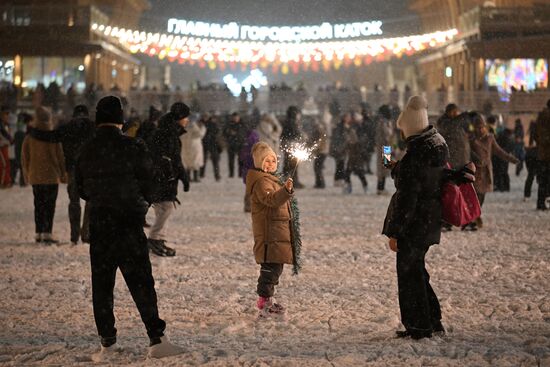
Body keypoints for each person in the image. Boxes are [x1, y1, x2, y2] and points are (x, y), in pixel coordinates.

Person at [75, 96, 184, 360]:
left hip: (100, 224)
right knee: (141, 282)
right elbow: (150, 183)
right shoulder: (133, 146)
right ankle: (156, 338)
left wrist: (102, 199)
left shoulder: (87, 149)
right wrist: (140, 204)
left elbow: (81, 188)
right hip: (127, 223)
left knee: (102, 285)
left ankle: (107, 343)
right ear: (120, 119)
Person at [382, 95, 449, 340]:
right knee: (418, 271)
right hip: (430, 219)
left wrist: (395, 232)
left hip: (414, 224)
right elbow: (424, 179)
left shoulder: (417, 155)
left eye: (403, 129)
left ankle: (418, 326)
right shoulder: (436, 144)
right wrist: (398, 167)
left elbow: (408, 197)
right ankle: (432, 320)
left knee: (409, 275)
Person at [28, 105, 95, 244]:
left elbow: (49, 137)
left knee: (74, 202)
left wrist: (33, 131)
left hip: (72, 170)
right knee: (90, 202)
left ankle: (74, 235)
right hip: (90, 170)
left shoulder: (68, 127)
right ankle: (86, 233)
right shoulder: (94, 127)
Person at [245, 142, 294, 318]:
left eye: (273, 160)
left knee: (275, 268)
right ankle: (264, 302)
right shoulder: (261, 182)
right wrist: (285, 191)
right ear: (259, 163)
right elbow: (271, 200)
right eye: (266, 161)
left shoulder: (270, 179)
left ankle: (268, 299)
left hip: (275, 231)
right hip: (268, 234)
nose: (270, 164)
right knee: (269, 270)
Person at [147, 102, 191, 257]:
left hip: (162, 177)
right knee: (166, 207)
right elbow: (172, 159)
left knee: (163, 208)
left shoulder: (166, 131)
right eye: (186, 117)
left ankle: (158, 239)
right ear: (179, 118)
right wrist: (181, 175)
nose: (187, 121)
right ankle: (154, 238)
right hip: (163, 178)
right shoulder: (168, 134)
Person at [22, 107, 67, 244]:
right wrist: (63, 173)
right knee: (49, 205)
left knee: (38, 204)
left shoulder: (30, 137)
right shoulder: (53, 137)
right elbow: (60, 157)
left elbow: (25, 157)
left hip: (36, 176)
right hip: (51, 176)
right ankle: (47, 232)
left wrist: (26, 173)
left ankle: (38, 232)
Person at [468, 113, 519, 229]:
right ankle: (473, 219)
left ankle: (475, 216)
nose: (480, 129)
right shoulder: (471, 139)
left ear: (485, 127)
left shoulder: (490, 138)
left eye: (482, 127)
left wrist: (511, 159)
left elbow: (499, 151)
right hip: (476, 171)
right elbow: (467, 154)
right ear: (474, 128)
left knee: (482, 196)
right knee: (475, 195)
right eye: (478, 127)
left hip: (486, 171)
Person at [281, 106, 304, 188]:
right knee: (293, 164)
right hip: (292, 146)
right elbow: (296, 134)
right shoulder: (292, 122)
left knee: (288, 164)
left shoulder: (287, 122)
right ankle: (292, 181)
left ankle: (287, 180)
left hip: (289, 145)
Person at [181, 115, 206, 183]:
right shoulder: (194, 126)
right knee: (195, 161)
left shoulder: (183, 126)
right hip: (194, 146)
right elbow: (200, 134)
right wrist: (202, 127)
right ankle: (195, 177)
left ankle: (188, 177)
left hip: (186, 145)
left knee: (188, 161)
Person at [535, 99, 550, 210]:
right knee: (545, 181)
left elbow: (536, 136)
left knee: (543, 181)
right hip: (546, 155)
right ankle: (542, 202)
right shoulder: (547, 117)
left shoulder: (541, 117)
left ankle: (541, 202)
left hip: (542, 155)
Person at [223, 112, 246, 178]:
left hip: (240, 144)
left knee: (241, 160)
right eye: (234, 117)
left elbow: (244, 133)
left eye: (236, 117)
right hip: (231, 144)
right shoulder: (229, 124)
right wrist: (229, 133)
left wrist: (236, 133)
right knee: (231, 160)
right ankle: (231, 173)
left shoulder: (242, 124)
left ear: (239, 117)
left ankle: (240, 174)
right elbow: (224, 133)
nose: (235, 118)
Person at [0, 105, 13, 188]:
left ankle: (6, 181)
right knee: (3, 164)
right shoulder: (1, 124)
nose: (7, 116)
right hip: (1, 146)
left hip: (5, 146)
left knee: (6, 163)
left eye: (8, 114)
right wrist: (10, 138)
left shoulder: (6, 124)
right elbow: (3, 133)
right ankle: (3, 182)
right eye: (5, 114)